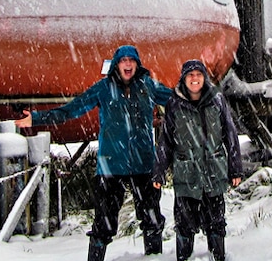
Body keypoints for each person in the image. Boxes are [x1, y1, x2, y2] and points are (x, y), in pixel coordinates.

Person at [15, 44, 171, 261]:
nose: (128, 64)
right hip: (110, 166)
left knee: (152, 220)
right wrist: (38, 118)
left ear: (137, 64)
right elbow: (73, 109)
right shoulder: (104, 88)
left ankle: (154, 257)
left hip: (144, 164)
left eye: (131, 60)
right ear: (116, 65)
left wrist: (203, 98)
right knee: (103, 224)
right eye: (123, 60)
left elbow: (176, 100)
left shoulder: (148, 86)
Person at [152, 59, 243, 261]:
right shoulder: (174, 104)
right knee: (184, 225)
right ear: (184, 78)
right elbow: (165, 141)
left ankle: (218, 256)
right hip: (187, 176)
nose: (195, 79)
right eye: (190, 75)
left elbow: (230, 134)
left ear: (204, 78)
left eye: (198, 75)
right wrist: (159, 170)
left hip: (214, 173)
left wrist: (235, 168)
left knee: (216, 224)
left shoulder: (217, 100)